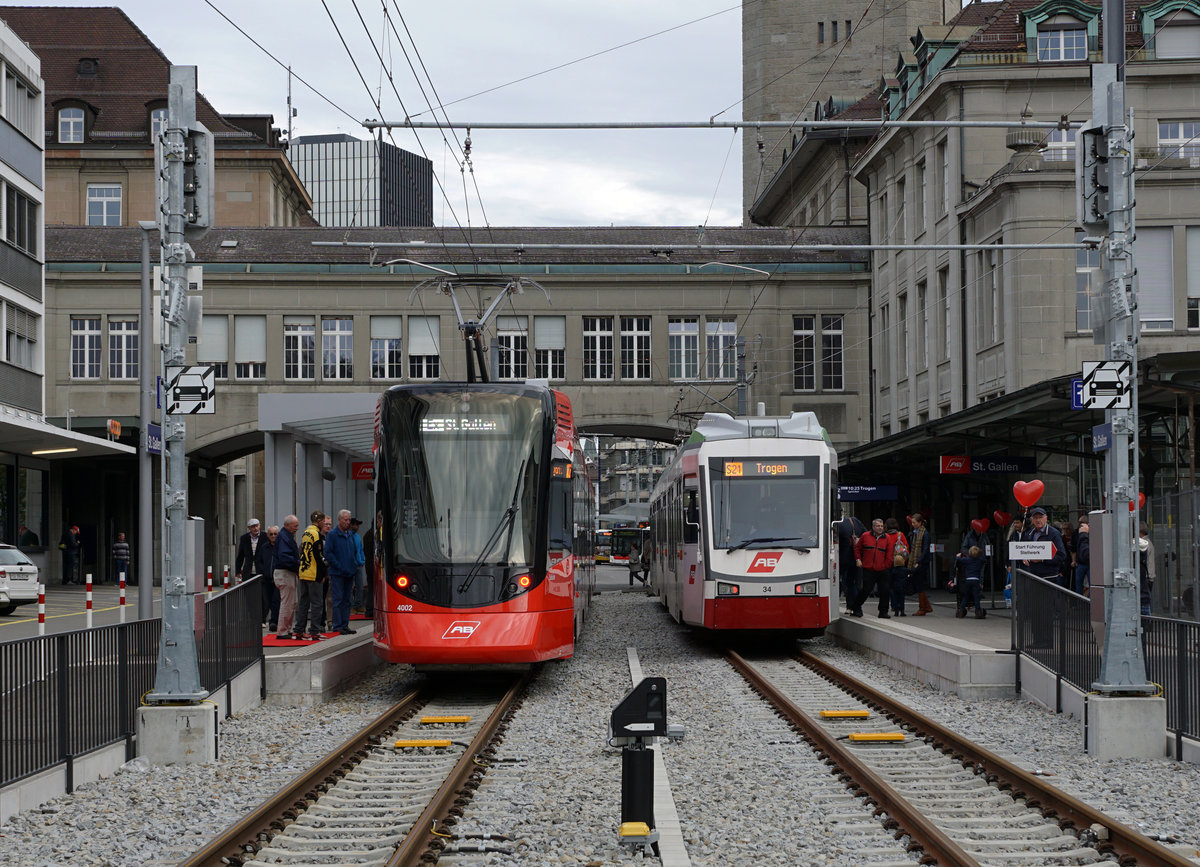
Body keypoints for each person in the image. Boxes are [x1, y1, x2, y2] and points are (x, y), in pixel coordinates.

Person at [325, 510, 360, 636]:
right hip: (338, 573)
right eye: (345, 520)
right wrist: (339, 566)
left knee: (347, 600)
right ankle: (338, 625)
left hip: (349, 572)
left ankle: (345, 624)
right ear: (339, 520)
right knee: (338, 599)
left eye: (349, 520)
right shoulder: (332, 535)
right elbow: (328, 553)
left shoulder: (349, 535)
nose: (348, 522)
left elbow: (353, 552)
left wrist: (354, 565)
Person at [852, 518, 896, 618]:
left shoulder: (887, 538)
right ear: (873, 527)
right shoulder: (865, 536)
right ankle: (856, 608)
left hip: (883, 569)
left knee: (884, 590)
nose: (880, 528)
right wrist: (858, 559)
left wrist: (886, 566)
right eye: (878, 526)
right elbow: (857, 549)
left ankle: (883, 612)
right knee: (866, 590)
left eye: (881, 526)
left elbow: (889, 554)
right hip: (868, 569)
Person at [293, 510, 326, 641]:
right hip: (313, 572)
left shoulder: (306, 532)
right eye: (323, 521)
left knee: (304, 603)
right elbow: (318, 556)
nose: (324, 523)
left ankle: (299, 630)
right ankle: (314, 631)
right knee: (317, 603)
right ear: (319, 521)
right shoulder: (316, 534)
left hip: (303, 571)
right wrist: (323, 573)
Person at [1019, 507, 1066, 583]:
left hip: (1049, 577)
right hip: (1032, 576)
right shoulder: (1029, 534)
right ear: (1032, 519)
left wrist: (1042, 559)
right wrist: (1024, 557)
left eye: (1040, 517)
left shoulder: (1054, 534)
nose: (1038, 520)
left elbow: (1061, 556)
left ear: (1046, 518)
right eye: (1035, 518)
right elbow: (1022, 551)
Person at [273, 515, 301, 640]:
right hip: (285, 572)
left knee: (292, 602)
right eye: (295, 526)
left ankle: (287, 629)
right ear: (287, 525)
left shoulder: (285, 536)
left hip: (287, 572)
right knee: (287, 603)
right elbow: (285, 557)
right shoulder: (285, 537)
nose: (297, 528)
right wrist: (298, 563)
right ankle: (283, 631)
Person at [836, 511, 866, 612]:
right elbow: (865, 535)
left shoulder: (838, 524)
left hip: (843, 558)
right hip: (856, 558)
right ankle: (853, 607)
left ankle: (849, 606)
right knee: (853, 583)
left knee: (843, 582)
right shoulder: (856, 522)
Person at [908, 514, 934, 615]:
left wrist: (918, 561)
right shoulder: (915, 533)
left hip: (922, 562)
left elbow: (925, 549)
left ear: (920, 523)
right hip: (918, 561)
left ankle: (923, 608)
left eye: (914, 522)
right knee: (918, 583)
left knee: (919, 584)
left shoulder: (925, 534)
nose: (912, 524)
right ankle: (926, 606)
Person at [256, 525, 280, 632]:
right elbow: (259, 561)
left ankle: (273, 621)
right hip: (266, 579)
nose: (273, 536)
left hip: (278, 578)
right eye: (271, 534)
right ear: (267, 535)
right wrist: (262, 572)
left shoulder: (280, 547)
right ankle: (274, 620)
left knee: (276, 600)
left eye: (275, 534)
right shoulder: (264, 547)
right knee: (268, 601)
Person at [956, 545, 987, 618]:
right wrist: (981, 553)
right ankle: (978, 612)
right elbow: (984, 560)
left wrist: (958, 556)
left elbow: (959, 559)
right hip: (976, 580)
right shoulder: (979, 561)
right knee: (976, 597)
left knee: (966, 596)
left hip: (968, 580)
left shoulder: (967, 560)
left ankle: (961, 610)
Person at [885, 518, 908, 616]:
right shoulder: (900, 535)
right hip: (898, 562)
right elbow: (906, 548)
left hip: (889, 562)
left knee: (891, 586)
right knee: (900, 586)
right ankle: (901, 607)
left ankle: (894, 605)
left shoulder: (885, 536)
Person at [235, 518, 263, 584]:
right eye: (253, 527)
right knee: (248, 591)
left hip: (262, 571)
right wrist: (238, 570)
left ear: (259, 526)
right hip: (248, 571)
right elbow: (240, 555)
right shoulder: (244, 538)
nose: (255, 528)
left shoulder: (265, 537)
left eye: (257, 526)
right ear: (249, 528)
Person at [349, 517, 366, 614]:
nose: (357, 527)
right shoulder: (348, 536)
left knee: (360, 586)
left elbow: (360, 549)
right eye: (356, 525)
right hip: (351, 565)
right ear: (351, 525)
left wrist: (362, 560)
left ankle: (358, 605)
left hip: (358, 564)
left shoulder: (357, 537)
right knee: (350, 587)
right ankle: (351, 606)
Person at [1074, 518, 1090, 595]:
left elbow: (1086, 552)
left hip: (1090, 563)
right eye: (1079, 522)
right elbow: (1074, 547)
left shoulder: (1086, 534)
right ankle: (1079, 601)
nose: (1080, 525)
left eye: (1082, 523)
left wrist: (1084, 534)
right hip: (1080, 562)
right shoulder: (1077, 532)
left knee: (1092, 585)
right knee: (1078, 583)